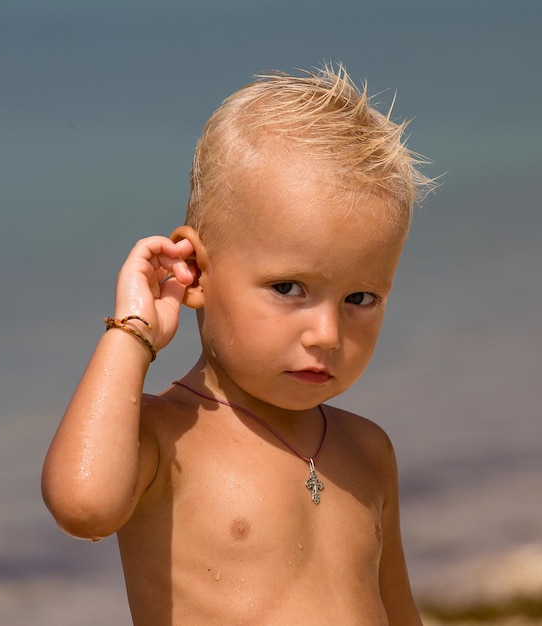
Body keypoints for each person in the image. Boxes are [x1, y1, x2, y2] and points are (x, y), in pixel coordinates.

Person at [42, 64, 432, 625]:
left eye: (361, 298)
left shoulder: (368, 451)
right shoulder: (163, 440)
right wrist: (133, 332)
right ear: (195, 273)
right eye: (287, 288)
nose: (327, 334)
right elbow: (83, 506)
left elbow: (400, 613)